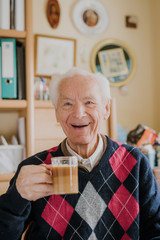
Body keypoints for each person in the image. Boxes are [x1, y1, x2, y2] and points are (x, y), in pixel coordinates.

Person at [0, 67, 160, 240]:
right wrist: (16, 197)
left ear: (106, 109)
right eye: (67, 104)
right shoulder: (33, 168)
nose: (78, 113)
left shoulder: (135, 161)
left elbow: (155, 230)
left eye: (89, 102)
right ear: (57, 113)